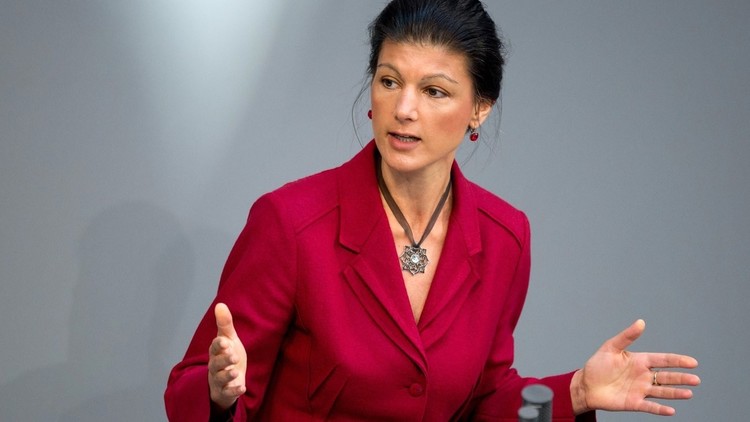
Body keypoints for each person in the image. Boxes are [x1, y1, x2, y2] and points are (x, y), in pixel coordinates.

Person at [165, 0, 700, 420]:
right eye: (389, 81)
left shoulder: (505, 236)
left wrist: (575, 393)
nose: (404, 109)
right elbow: (190, 385)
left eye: (434, 91)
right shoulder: (291, 222)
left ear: (480, 108)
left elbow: (486, 401)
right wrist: (218, 394)